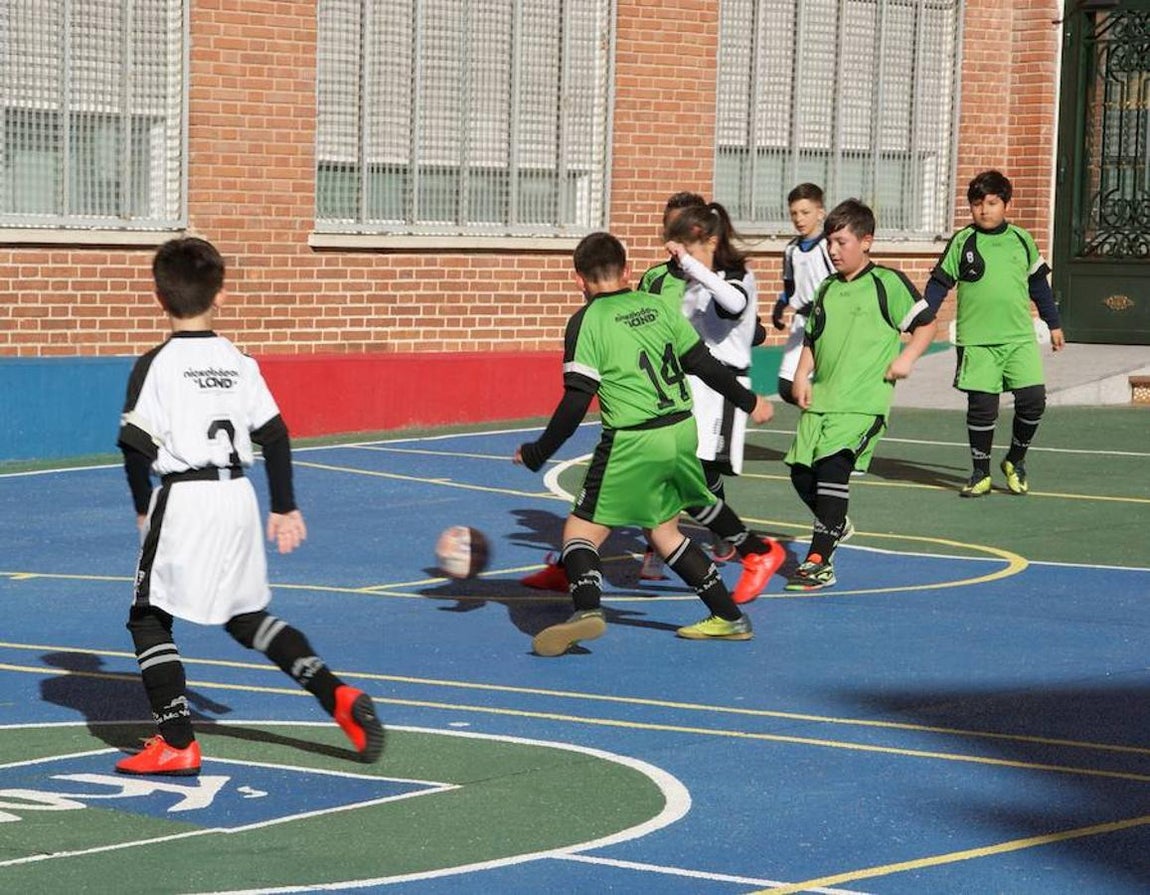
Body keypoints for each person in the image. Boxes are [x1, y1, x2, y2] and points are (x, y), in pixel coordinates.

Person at [114, 237, 384, 775]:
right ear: (220, 295)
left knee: (148, 617)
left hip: (186, 497)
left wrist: (144, 508)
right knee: (245, 617)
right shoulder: (237, 360)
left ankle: (176, 741)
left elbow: (134, 445)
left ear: (159, 296)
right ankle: (337, 696)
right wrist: (284, 505)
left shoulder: (158, 364)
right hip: (238, 495)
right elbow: (277, 435)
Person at [514, 231, 774, 656]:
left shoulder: (587, 322)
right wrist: (746, 399)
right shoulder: (655, 306)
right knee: (664, 529)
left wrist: (537, 452)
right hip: (681, 430)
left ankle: (586, 610)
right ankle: (729, 617)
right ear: (627, 271)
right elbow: (703, 363)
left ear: (579, 279)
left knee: (580, 529)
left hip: (634, 439)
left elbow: (577, 400)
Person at [783, 200, 937, 591]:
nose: (833, 251)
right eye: (830, 243)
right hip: (823, 400)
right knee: (802, 475)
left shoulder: (887, 282)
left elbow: (926, 325)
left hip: (863, 401)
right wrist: (802, 374)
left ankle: (819, 560)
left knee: (834, 468)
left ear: (866, 241)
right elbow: (812, 338)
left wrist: (908, 358)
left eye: (841, 242)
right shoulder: (827, 288)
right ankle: (835, 523)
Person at [660, 201, 785, 603]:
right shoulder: (694, 283)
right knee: (676, 479)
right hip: (689, 388)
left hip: (722, 390)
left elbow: (733, 304)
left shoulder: (738, 277)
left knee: (691, 483)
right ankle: (735, 548)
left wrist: (694, 267)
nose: (687, 260)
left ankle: (756, 551)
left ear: (711, 241)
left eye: (693, 250)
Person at [923, 169, 1064, 497]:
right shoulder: (962, 241)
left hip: (1019, 339)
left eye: (991, 202)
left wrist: (1053, 323)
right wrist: (923, 317)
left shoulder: (1021, 239)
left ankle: (1015, 460)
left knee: (1033, 402)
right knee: (983, 407)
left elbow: (1039, 286)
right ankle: (980, 472)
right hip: (977, 341)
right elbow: (939, 284)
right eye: (977, 204)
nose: (984, 210)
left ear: (1006, 204)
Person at [773, 183, 835, 406]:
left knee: (821, 383)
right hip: (802, 324)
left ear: (820, 213)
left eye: (805, 212)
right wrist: (780, 307)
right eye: (794, 213)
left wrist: (822, 305)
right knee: (787, 387)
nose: (799, 219)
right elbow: (790, 288)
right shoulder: (791, 250)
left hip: (830, 324)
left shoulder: (829, 247)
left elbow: (843, 283)